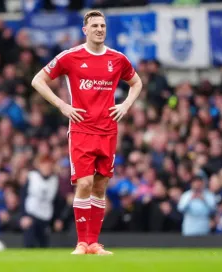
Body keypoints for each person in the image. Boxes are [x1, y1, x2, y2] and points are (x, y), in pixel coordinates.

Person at [31, 10, 142, 255]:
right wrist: (62, 105)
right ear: (85, 30)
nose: (100, 29)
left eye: (102, 25)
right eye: (95, 26)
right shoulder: (70, 57)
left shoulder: (118, 59)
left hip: (108, 130)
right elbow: (37, 80)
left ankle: (93, 243)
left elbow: (137, 82)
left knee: (100, 187)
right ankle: (81, 243)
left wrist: (125, 105)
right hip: (81, 129)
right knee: (84, 183)